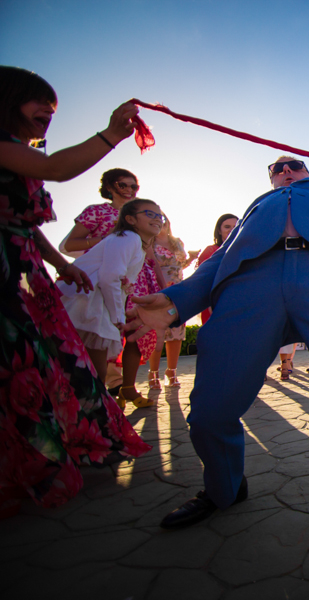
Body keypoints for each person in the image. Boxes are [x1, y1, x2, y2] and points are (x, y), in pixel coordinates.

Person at [124, 155, 309, 528]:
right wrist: (177, 300)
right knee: (209, 407)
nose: (287, 170)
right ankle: (225, 488)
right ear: (270, 180)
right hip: (250, 286)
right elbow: (220, 260)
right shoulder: (257, 207)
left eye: (296, 165)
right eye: (277, 168)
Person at [0, 65, 150, 514]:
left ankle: (72, 443)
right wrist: (110, 135)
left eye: (53, 105)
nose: (47, 110)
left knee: (56, 359)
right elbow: (53, 168)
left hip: (27, 268)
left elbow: (21, 223)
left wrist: (59, 264)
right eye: (37, 99)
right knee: (21, 361)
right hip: (6, 273)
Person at [61, 168, 161, 405]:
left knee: (98, 345)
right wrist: (117, 315)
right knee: (82, 347)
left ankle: (98, 401)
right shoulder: (125, 235)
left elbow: (123, 274)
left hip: (110, 291)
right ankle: (92, 402)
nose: (128, 190)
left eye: (133, 186)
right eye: (122, 185)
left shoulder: (137, 239)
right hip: (93, 291)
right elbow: (109, 276)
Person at [148, 214, 199, 388]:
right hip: (156, 290)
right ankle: (153, 373)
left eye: (163, 219)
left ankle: (172, 371)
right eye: (156, 220)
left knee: (176, 333)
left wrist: (191, 259)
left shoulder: (177, 242)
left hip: (177, 290)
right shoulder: (148, 242)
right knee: (156, 333)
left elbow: (178, 266)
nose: (161, 223)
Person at [196, 213, 238, 325]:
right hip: (215, 305)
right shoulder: (211, 252)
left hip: (239, 304)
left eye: (235, 227)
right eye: (227, 227)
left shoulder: (247, 252)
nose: (231, 230)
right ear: (219, 231)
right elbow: (203, 283)